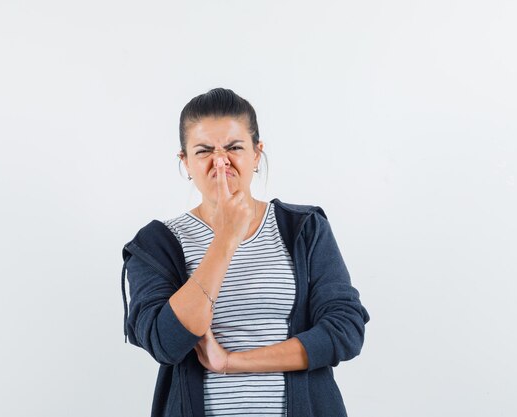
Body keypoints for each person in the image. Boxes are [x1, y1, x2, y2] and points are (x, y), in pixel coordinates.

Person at [121, 87, 370, 417]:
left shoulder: (304, 229)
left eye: (234, 147)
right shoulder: (158, 243)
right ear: (185, 162)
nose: (220, 161)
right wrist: (225, 239)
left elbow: (345, 331)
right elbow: (166, 341)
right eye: (203, 151)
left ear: (256, 154)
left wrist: (231, 362)